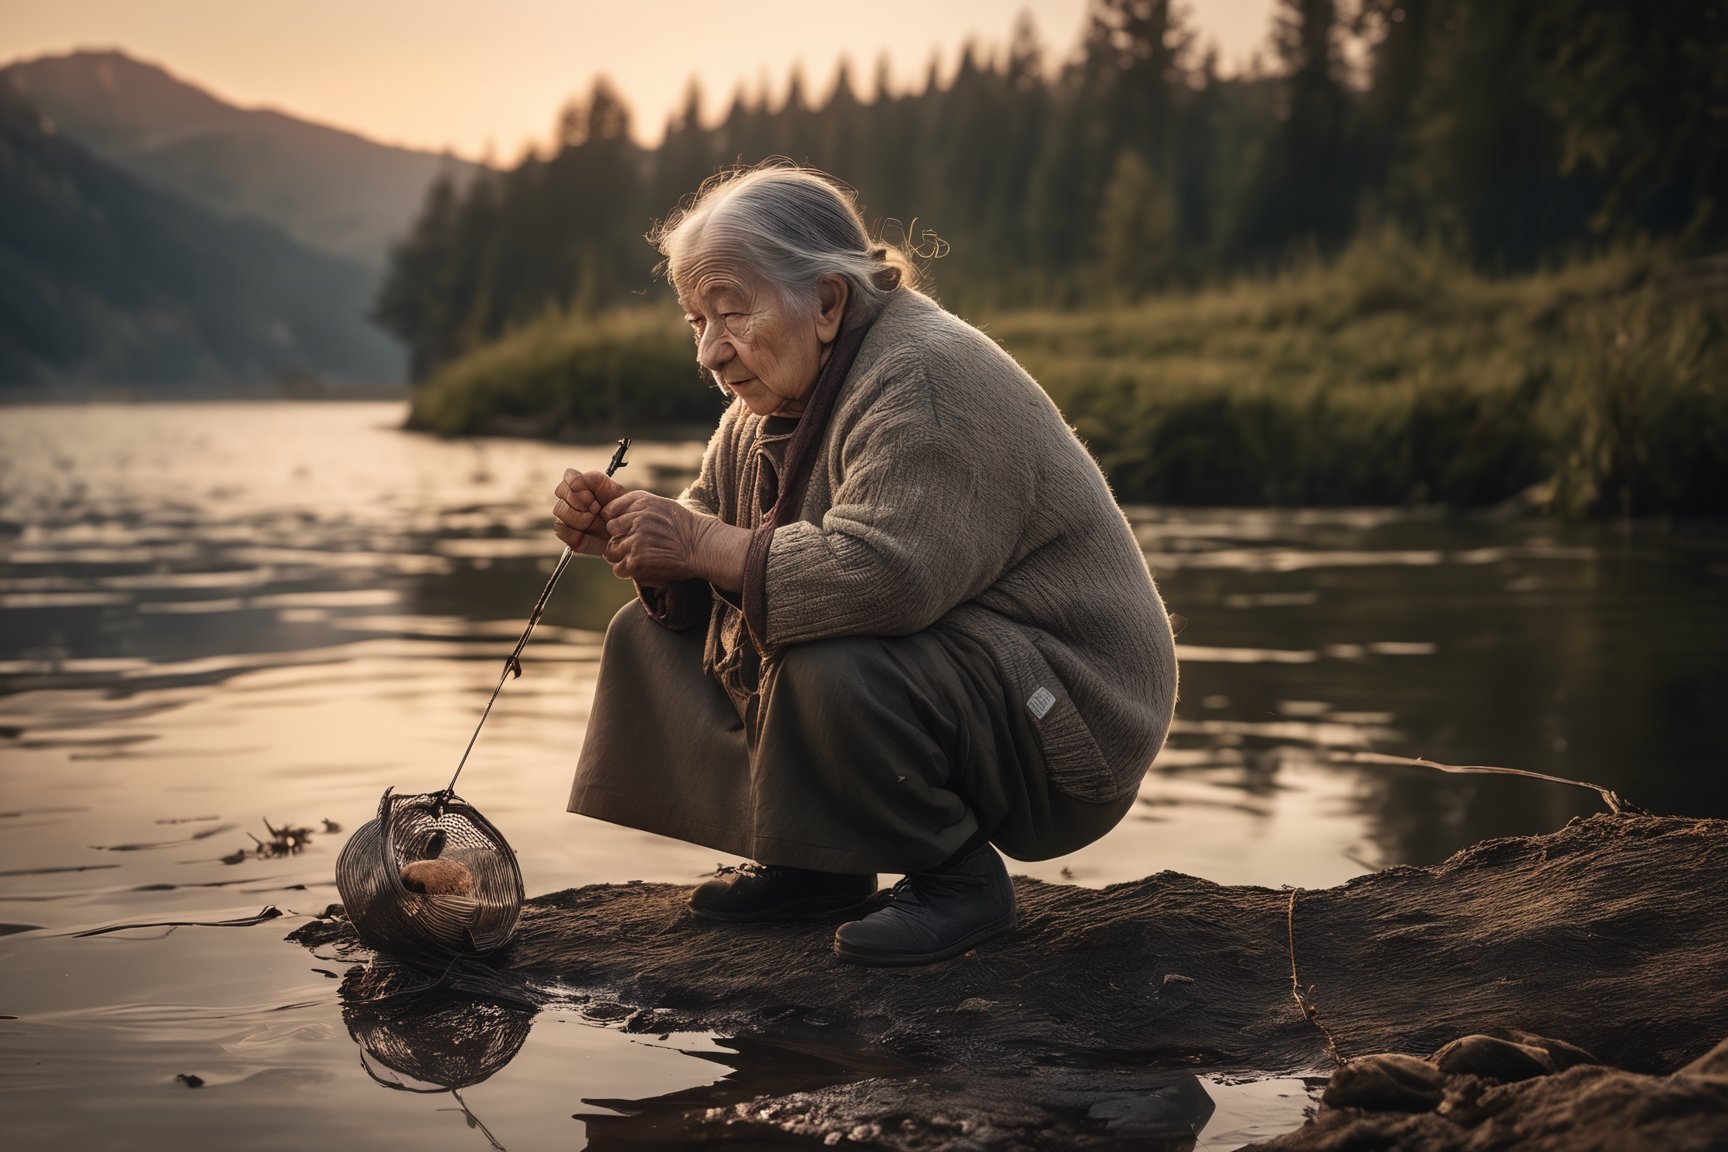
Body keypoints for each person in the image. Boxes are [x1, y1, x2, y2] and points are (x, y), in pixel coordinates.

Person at [552, 163, 1177, 967]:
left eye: (732, 311)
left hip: (1071, 716)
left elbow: (886, 578)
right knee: (649, 634)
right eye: (695, 319)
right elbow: (708, 524)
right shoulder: (765, 401)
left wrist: (699, 543)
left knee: (836, 658)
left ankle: (956, 879)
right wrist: (630, 533)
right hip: (970, 669)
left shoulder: (926, 374)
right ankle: (816, 864)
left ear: (827, 302)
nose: (710, 351)